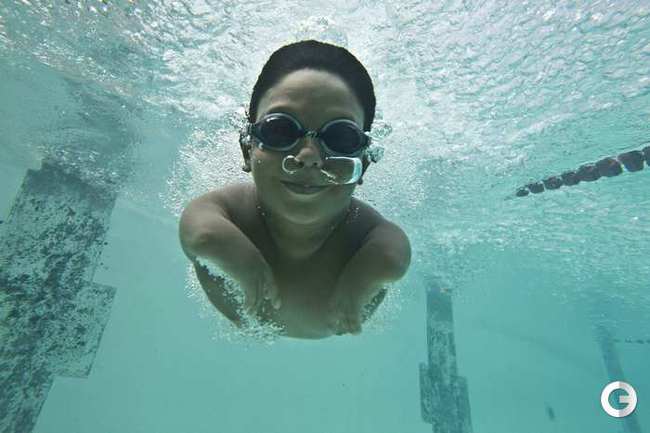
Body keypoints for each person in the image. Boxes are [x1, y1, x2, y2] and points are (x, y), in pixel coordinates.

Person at [178, 40, 411, 339]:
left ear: (363, 163)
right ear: (247, 148)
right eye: (280, 130)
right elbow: (200, 233)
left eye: (341, 138)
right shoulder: (233, 209)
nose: (309, 157)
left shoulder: (363, 231)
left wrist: (362, 277)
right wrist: (243, 260)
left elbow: (394, 254)